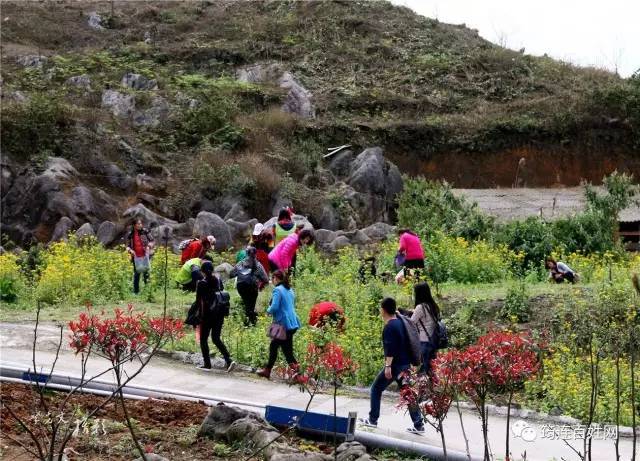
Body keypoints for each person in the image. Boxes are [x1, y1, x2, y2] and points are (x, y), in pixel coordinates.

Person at [359, 297, 425, 435]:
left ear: (383, 310)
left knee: (376, 389)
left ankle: (372, 419)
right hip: (405, 365)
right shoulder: (401, 322)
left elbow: (391, 349)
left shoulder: (390, 327)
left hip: (395, 366)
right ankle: (419, 425)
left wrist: (388, 366)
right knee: (408, 394)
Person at [256, 270, 303, 381]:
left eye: (272, 278)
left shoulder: (277, 290)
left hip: (283, 324)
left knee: (276, 347)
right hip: (292, 323)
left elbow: (274, 306)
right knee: (285, 350)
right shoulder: (289, 289)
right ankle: (298, 374)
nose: (272, 281)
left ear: (276, 278)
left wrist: (268, 310)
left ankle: (269, 371)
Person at [196, 261, 236, 372]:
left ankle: (207, 364)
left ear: (203, 271)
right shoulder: (217, 280)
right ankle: (228, 360)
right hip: (219, 313)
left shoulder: (201, 283)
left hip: (207, 314)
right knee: (216, 338)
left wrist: (197, 316)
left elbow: (198, 301)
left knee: (203, 339)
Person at [230, 246, 269, 326]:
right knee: (251, 305)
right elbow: (266, 279)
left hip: (241, 287)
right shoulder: (258, 265)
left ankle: (248, 319)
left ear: (246, 254)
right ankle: (251, 321)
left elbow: (231, 274)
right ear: (256, 254)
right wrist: (259, 283)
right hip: (252, 288)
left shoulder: (241, 263)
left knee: (247, 303)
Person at [411, 282, 440, 375]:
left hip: (424, 341)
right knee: (431, 368)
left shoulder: (420, 307)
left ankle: (424, 384)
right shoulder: (433, 305)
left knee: (423, 369)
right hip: (433, 340)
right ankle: (432, 383)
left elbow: (411, 322)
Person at [125, 219, 154, 294]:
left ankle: (148, 291)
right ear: (134, 225)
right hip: (136, 257)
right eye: (138, 224)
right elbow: (127, 246)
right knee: (137, 274)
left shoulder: (145, 231)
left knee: (146, 273)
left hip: (145, 256)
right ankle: (136, 292)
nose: (140, 225)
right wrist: (130, 250)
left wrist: (149, 246)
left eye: (141, 223)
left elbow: (152, 240)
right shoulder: (130, 234)